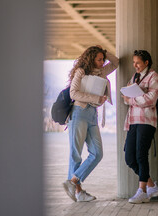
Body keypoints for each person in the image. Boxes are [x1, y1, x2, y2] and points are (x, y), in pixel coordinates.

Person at [62, 46, 118, 202]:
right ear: (91, 58)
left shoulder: (101, 71)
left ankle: (73, 181)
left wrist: (105, 52)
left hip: (93, 115)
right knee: (76, 154)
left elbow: (116, 62)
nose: (102, 62)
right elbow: (73, 93)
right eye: (99, 59)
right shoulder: (81, 71)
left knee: (97, 153)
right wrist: (95, 98)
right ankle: (78, 193)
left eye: (102, 59)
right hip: (79, 113)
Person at [122, 50, 158, 204]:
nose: (135, 66)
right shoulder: (134, 77)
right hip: (133, 120)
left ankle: (142, 191)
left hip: (147, 120)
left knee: (141, 155)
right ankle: (152, 186)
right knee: (129, 157)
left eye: (137, 63)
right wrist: (132, 97)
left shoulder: (154, 77)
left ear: (146, 62)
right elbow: (127, 98)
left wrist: (132, 99)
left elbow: (151, 100)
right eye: (134, 63)